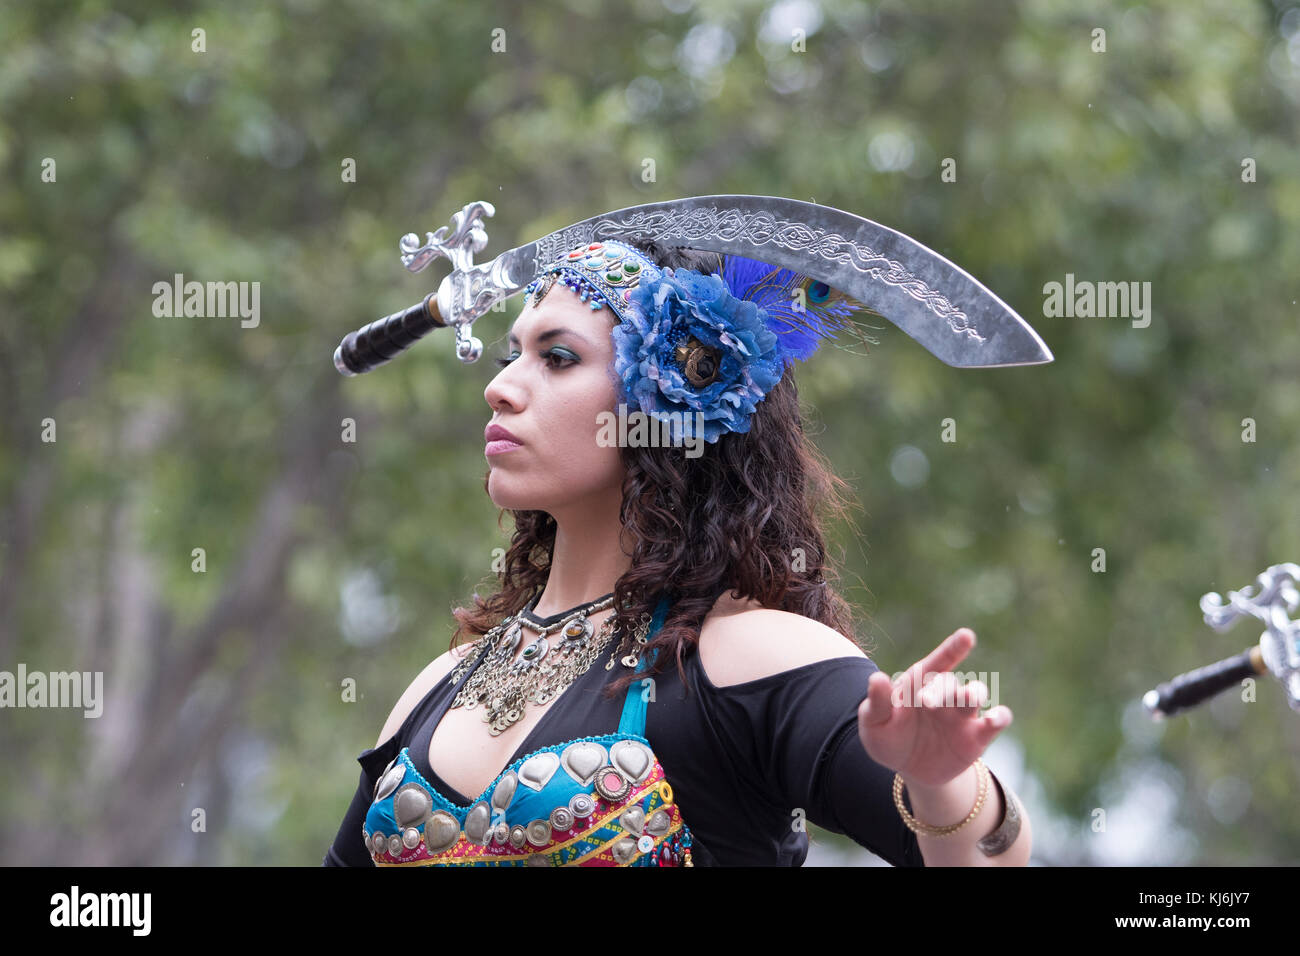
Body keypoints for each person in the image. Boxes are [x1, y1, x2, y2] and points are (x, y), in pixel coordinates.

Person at [323, 236, 1032, 867]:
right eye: (513, 354)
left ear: (664, 397)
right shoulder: (436, 689)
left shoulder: (747, 659)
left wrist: (940, 783)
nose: (500, 387)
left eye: (558, 358)